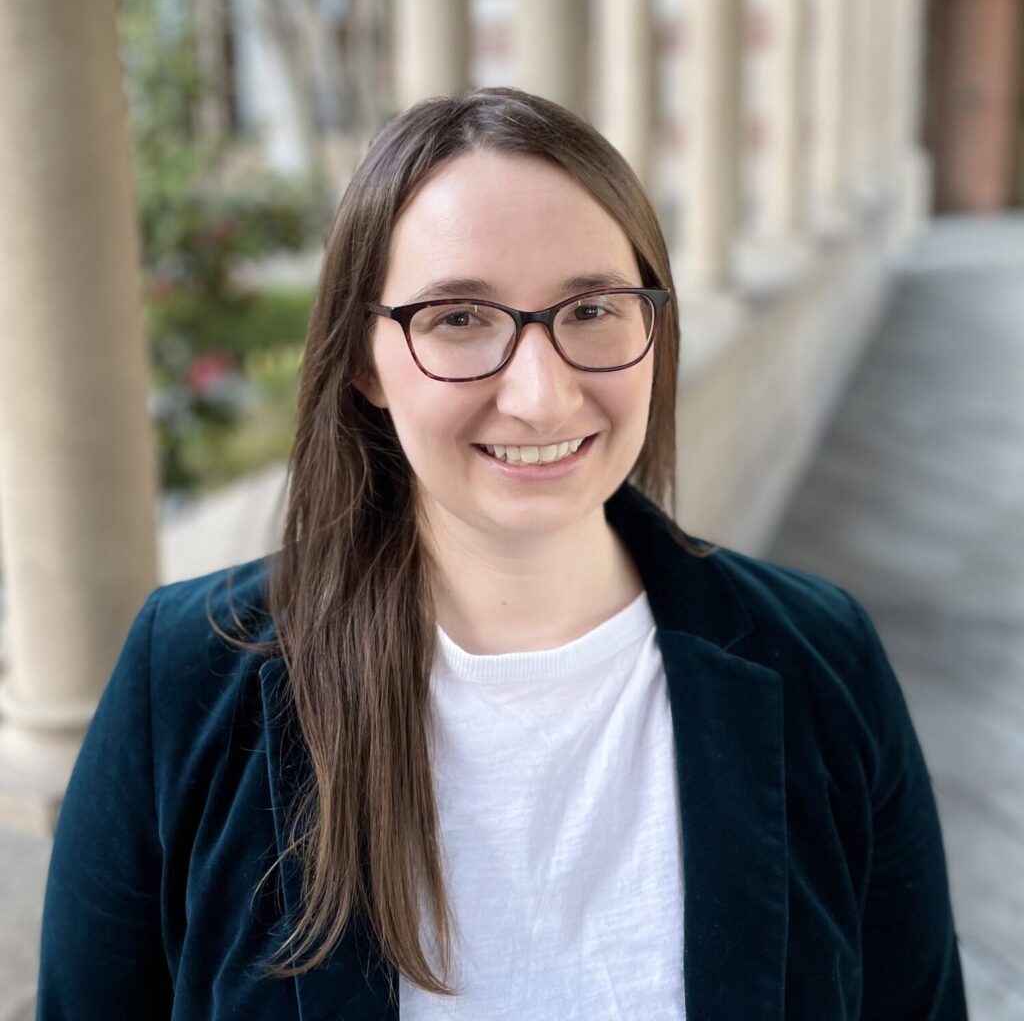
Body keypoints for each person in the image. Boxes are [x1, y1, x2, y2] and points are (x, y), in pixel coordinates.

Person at [36, 87, 968, 1020]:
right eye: (458, 319)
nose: (539, 395)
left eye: (594, 308)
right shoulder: (191, 679)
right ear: (363, 362)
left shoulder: (821, 661)